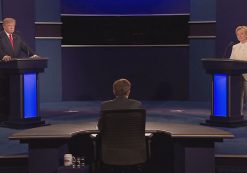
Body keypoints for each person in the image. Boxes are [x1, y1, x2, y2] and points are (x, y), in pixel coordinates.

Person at [230, 25, 247, 112]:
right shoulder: (235, 47)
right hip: (237, 76)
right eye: (238, 34)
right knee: (238, 97)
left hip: (246, 75)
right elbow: (231, 60)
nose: (239, 36)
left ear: (246, 35)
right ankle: (238, 115)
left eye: (242, 34)